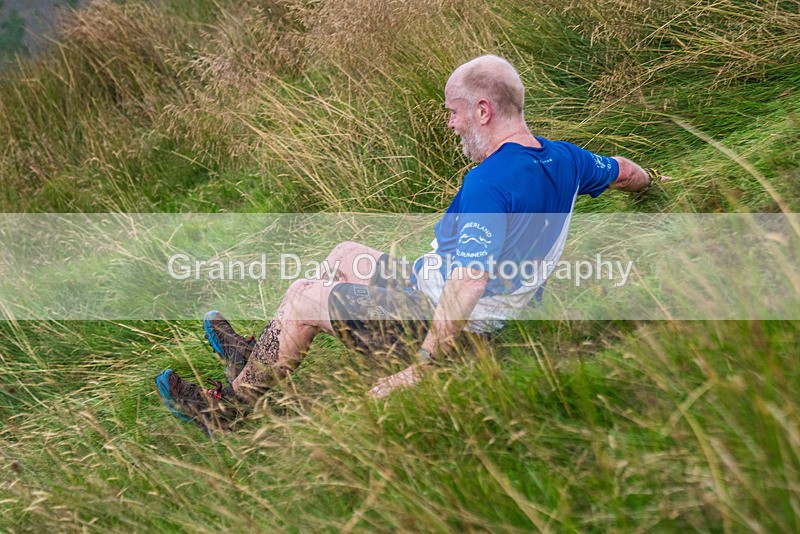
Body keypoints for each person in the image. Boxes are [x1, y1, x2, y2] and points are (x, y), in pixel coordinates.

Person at [156, 55, 666, 433]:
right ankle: (258, 357)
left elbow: (470, 280)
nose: (449, 123)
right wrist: (654, 188)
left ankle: (224, 411)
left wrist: (421, 370)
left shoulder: (490, 184)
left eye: (453, 112)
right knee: (343, 255)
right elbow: (626, 171)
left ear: (483, 110)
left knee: (303, 297)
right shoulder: (566, 159)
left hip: (455, 326)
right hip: (443, 292)